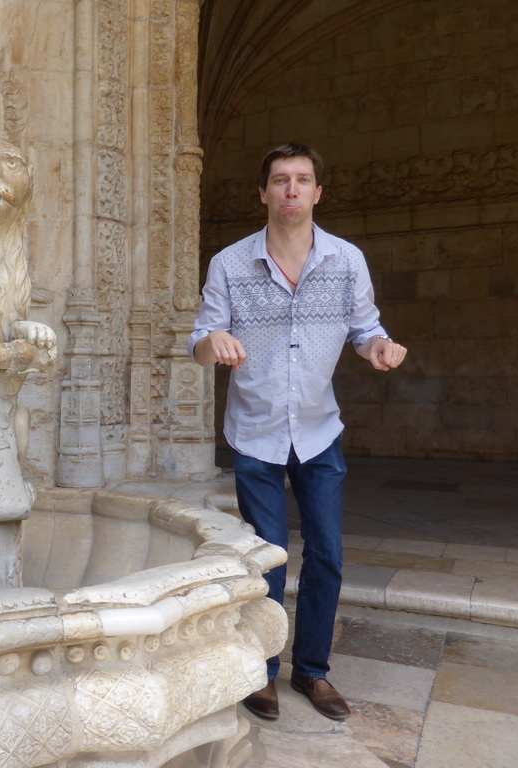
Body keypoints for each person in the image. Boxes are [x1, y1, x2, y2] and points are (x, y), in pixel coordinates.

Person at [189, 143, 408, 721]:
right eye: (280, 180)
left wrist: (378, 346)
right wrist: (213, 343)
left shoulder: (346, 260)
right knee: (268, 558)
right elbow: (201, 335)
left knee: (328, 555)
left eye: (302, 180)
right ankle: (261, 672)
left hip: (317, 430)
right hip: (256, 432)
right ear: (263, 193)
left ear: (317, 192)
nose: (291, 189)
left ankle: (312, 672)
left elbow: (366, 328)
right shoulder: (230, 263)